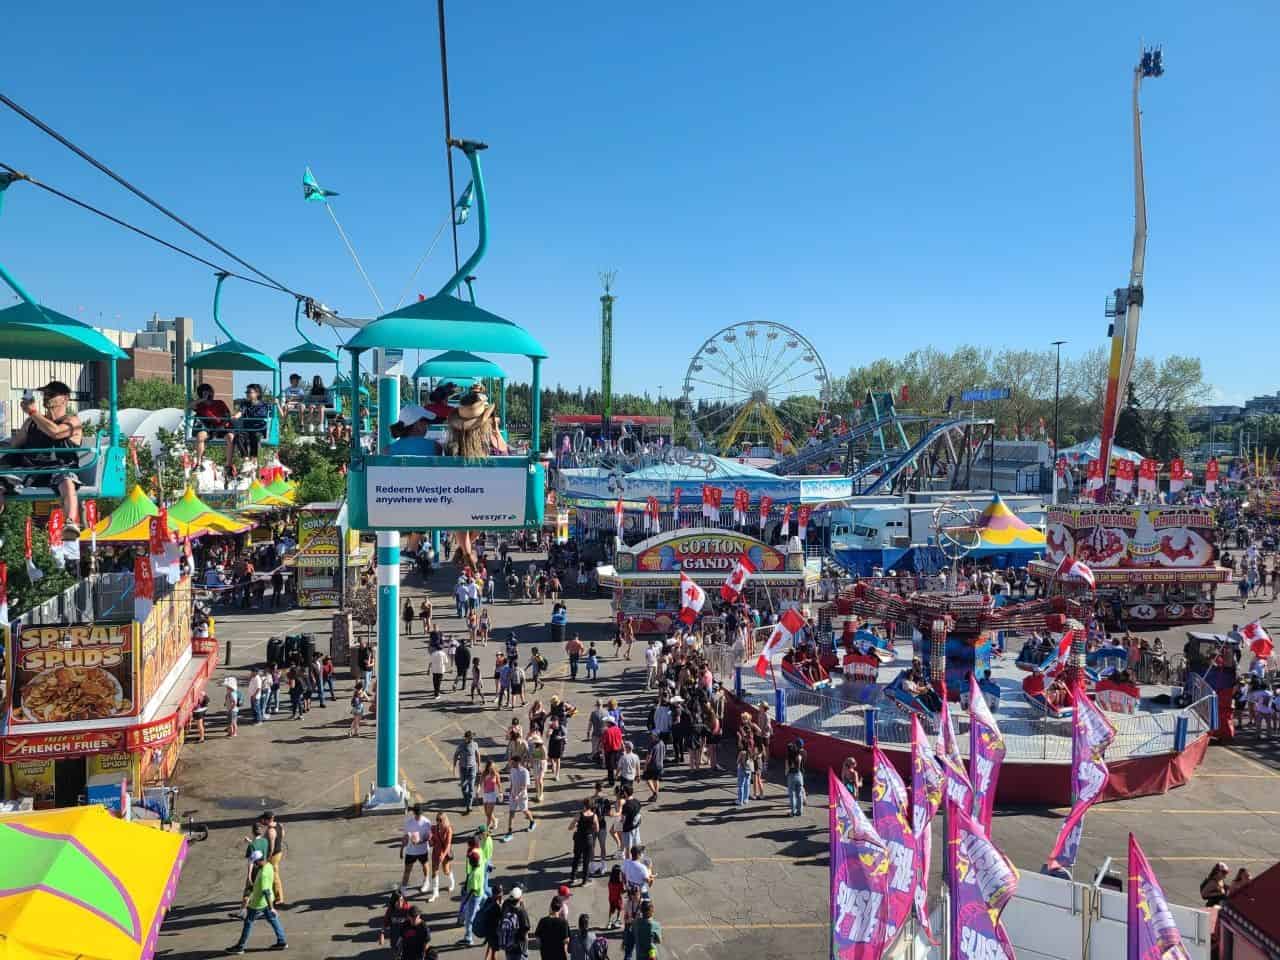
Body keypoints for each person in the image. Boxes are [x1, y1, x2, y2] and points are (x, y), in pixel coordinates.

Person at [0, 381, 84, 534]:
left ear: (65, 398)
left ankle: (70, 524)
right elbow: (14, 444)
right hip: (30, 470)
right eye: (45, 394)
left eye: (51, 394)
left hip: (59, 468)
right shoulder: (31, 423)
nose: (46, 397)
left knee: (67, 481)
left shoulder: (72, 421)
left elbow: (56, 432)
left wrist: (33, 412)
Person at [227, 852, 286, 953]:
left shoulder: (263, 874)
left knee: (248, 923)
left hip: (258, 904)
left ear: (258, 861)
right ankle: (282, 941)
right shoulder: (269, 866)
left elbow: (266, 891)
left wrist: (272, 908)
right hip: (267, 902)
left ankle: (240, 947)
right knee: (273, 920)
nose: (254, 864)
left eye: (255, 862)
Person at [188, 382, 233, 467]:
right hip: (207, 428)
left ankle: (228, 464)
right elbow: (190, 406)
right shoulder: (200, 405)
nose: (210, 394)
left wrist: (222, 425)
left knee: (230, 437)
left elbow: (228, 416)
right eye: (207, 392)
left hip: (220, 427)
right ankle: (198, 463)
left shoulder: (220, 403)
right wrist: (202, 399)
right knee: (200, 436)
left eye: (211, 392)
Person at [503, 755, 536, 840]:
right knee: (511, 813)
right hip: (513, 795)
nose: (511, 764)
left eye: (512, 762)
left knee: (525, 811)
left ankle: (532, 822)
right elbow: (512, 782)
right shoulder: (512, 770)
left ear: (518, 762)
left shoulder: (525, 772)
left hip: (522, 796)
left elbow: (525, 786)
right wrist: (510, 792)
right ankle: (509, 832)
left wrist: (518, 795)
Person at [236, 383, 272, 460]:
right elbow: (240, 412)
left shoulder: (264, 405)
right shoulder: (245, 404)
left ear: (257, 393)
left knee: (255, 436)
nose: (247, 394)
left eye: (249, 392)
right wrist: (235, 417)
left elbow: (270, 415)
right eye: (246, 392)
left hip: (259, 429)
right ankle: (245, 458)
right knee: (239, 436)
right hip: (247, 429)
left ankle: (254, 458)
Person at [568, 797, 599, 885]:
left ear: (584, 805)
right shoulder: (594, 816)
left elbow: (570, 827)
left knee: (576, 858)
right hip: (588, 839)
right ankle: (584, 880)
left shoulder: (579, 815)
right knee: (586, 860)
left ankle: (573, 878)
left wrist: (576, 825)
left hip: (579, 838)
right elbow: (597, 829)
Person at [499, 886, 532, 960]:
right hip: (519, 947)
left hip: (508, 945)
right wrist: (525, 949)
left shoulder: (505, 906)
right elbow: (525, 932)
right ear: (519, 898)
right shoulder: (521, 912)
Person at [429, 812, 455, 902]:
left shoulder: (448, 829)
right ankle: (435, 892)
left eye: (440, 820)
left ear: (444, 820)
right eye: (437, 819)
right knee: (434, 872)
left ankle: (452, 881)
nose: (438, 822)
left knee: (446, 871)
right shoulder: (434, 828)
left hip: (444, 853)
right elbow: (431, 841)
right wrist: (430, 839)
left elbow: (448, 844)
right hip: (436, 852)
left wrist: (443, 855)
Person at [454, 729, 482, 814]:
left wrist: (479, 766)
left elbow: (478, 755)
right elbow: (456, 755)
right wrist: (454, 766)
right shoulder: (461, 745)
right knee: (464, 788)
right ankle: (466, 800)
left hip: (472, 768)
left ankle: (469, 806)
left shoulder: (475, 744)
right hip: (463, 768)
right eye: (465, 737)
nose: (466, 739)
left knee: (471, 788)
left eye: (468, 738)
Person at [785, 738, 807, 816]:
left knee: (792, 794)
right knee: (799, 794)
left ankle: (792, 812)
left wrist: (786, 773)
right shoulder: (802, 754)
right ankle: (799, 811)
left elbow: (788, 767)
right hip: (799, 774)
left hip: (792, 775)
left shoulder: (790, 756)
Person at [481, 760, 504, 833]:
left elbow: (499, 784)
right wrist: (478, 790)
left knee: (489, 814)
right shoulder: (484, 773)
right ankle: (495, 820)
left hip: (492, 795)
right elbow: (480, 782)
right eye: (491, 766)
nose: (492, 767)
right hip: (485, 795)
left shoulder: (496, 774)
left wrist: (500, 792)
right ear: (488, 766)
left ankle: (487, 829)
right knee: (486, 813)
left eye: (493, 766)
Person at [601, 717, 623, 786]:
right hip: (617, 750)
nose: (605, 723)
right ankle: (618, 776)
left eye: (606, 722)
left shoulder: (607, 731)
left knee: (610, 767)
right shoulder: (618, 729)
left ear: (609, 723)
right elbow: (620, 739)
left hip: (609, 751)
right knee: (617, 765)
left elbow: (604, 741)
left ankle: (611, 782)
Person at [619, 788, 642, 852]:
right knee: (636, 845)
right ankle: (638, 856)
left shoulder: (626, 805)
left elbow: (623, 819)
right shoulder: (637, 801)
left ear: (625, 793)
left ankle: (627, 859)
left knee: (628, 849)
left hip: (627, 829)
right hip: (636, 827)